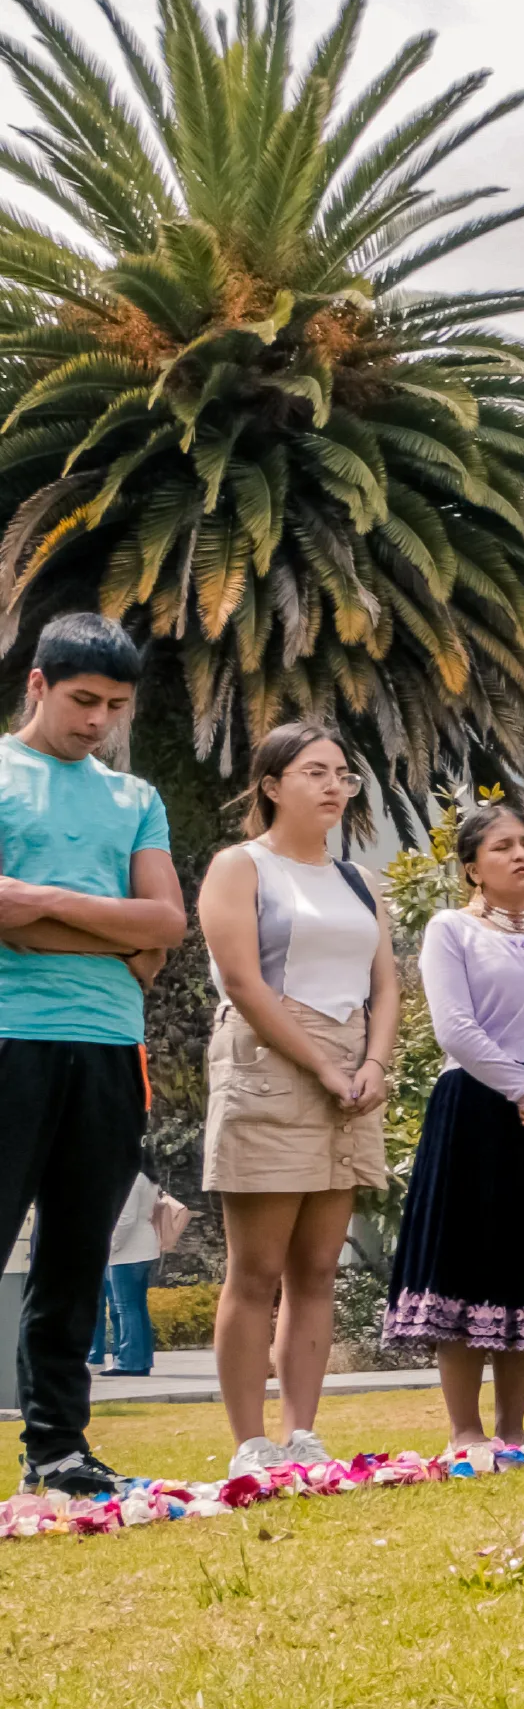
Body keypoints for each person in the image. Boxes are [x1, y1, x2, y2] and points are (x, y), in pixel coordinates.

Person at [0, 612, 186, 1499]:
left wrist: (39, 908)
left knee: (76, 1261)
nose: (97, 722)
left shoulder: (133, 796)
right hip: (10, 1037)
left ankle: (58, 1451)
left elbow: (166, 929)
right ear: (36, 684)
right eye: (82, 701)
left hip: (111, 1047)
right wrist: (110, 932)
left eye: (114, 706)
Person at [197, 721, 398, 1476]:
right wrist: (320, 1063)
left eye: (342, 773)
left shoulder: (358, 879)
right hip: (273, 1063)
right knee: (256, 1269)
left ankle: (301, 1431)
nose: (332, 785)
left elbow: (385, 981)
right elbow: (244, 982)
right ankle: (249, 1440)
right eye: (314, 770)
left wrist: (373, 1061)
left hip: (351, 1069)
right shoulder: (240, 866)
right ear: (271, 784)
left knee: (317, 1267)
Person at [389, 804, 524, 1453]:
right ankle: (465, 1429)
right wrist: (523, 1088)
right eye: (503, 846)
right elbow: (454, 1026)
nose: (521, 854)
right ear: (472, 866)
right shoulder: (451, 929)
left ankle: (513, 1426)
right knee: (469, 1257)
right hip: (477, 1107)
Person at [86, 1172, 184, 1379]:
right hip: (142, 1248)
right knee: (137, 1308)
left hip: (127, 1252)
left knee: (126, 1308)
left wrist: (110, 1247)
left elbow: (126, 1217)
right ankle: (141, 1361)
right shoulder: (147, 1177)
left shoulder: (131, 1177)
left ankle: (128, 1362)